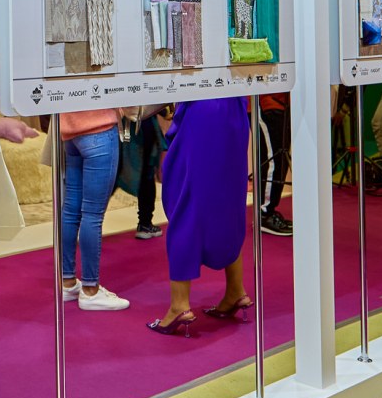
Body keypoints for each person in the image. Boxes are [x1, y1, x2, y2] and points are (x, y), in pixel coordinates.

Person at [149, 98, 252, 337]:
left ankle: (179, 305)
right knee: (228, 201)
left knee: (186, 206)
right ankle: (236, 290)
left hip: (203, 108)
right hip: (235, 109)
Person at [57, 105, 129, 311]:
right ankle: (90, 290)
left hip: (70, 131)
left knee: (71, 210)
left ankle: (67, 282)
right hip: (99, 128)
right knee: (92, 214)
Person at [253, 93, 293, 236]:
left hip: (280, 102)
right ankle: (265, 214)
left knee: (279, 157)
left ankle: (268, 210)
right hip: (265, 102)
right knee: (273, 159)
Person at [133, 111, 166, 240]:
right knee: (147, 173)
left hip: (123, 124)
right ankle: (145, 223)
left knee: (116, 174)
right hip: (143, 123)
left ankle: (88, 221)